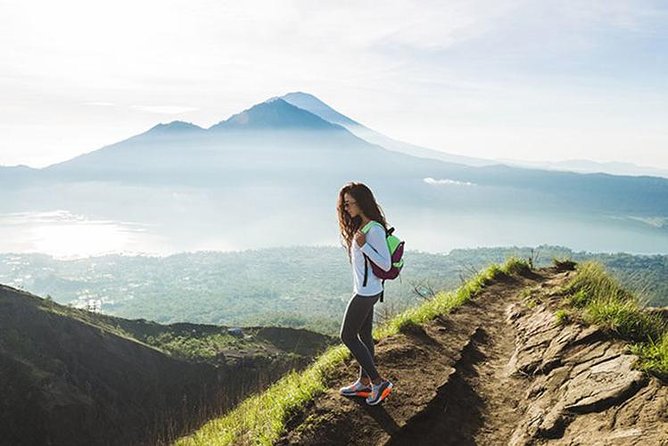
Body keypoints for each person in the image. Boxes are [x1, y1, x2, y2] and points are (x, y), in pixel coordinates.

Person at [336, 182, 393, 406]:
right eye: (344, 205)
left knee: (347, 336)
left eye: (349, 204)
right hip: (366, 289)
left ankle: (379, 382)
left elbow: (386, 264)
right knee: (364, 336)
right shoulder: (364, 227)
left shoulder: (374, 230)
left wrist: (364, 246)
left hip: (366, 293)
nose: (346, 208)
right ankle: (364, 382)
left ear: (361, 203)